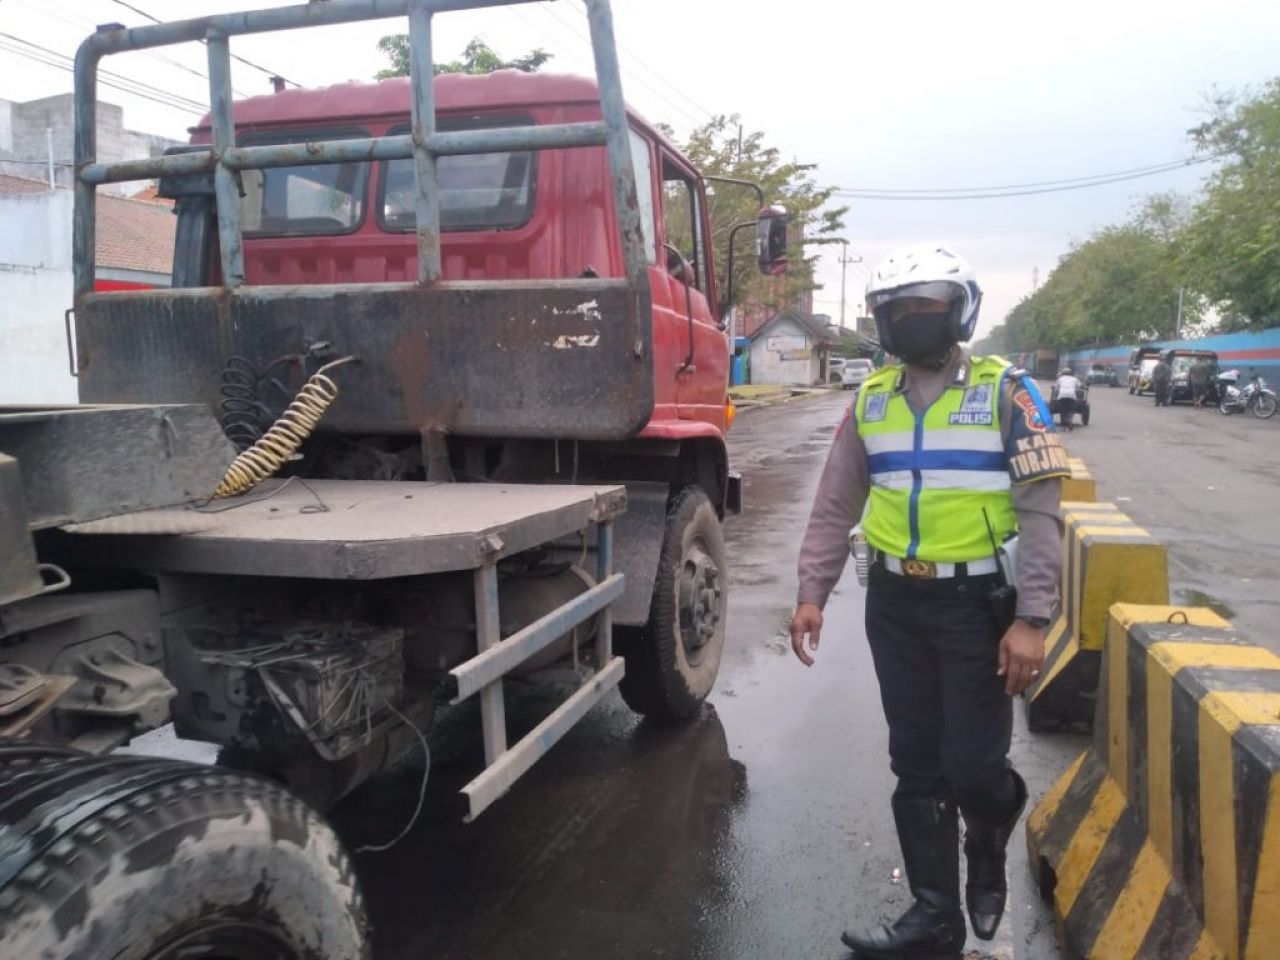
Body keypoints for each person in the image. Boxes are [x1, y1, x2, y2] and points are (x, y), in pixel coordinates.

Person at [789, 243, 1068, 959]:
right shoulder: (871, 399)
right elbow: (832, 504)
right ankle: (935, 914)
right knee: (915, 762)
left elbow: (1041, 512)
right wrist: (811, 590)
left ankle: (992, 826)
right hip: (894, 603)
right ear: (880, 321)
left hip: (977, 606)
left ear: (959, 310)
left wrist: (1032, 621)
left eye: (928, 306)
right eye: (898, 310)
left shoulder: (1009, 393)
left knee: (974, 762)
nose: (914, 320)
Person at [1054, 366, 1081, 430]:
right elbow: (1080, 386)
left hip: (1062, 396)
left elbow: (1056, 388)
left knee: (1062, 411)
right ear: (1070, 373)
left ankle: (1064, 425)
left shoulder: (1060, 379)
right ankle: (1070, 420)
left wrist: (1056, 394)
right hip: (1072, 396)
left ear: (1063, 373)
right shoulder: (1074, 379)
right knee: (1071, 410)